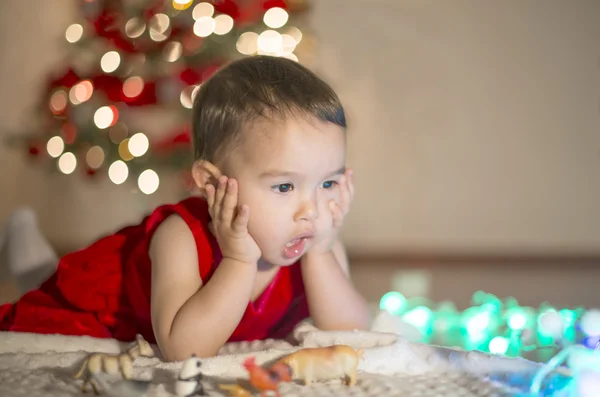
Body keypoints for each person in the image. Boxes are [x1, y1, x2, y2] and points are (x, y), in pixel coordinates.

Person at [0, 55, 371, 361]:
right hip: (109, 305)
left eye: (328, 183)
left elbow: (352, 330)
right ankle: (31, 260)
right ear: (211, 184)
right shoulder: (180, 238)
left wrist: (322, 254)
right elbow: (182, 348)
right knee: (47, 305)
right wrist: (238, 262)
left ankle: (33, 260)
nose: (312, 209)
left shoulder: (317, 239)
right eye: (285, 186)